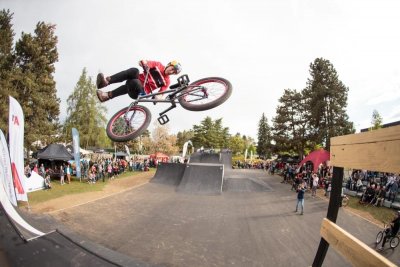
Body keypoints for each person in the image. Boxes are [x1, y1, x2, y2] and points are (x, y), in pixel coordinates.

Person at [96, 60, 182, 102]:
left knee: (135, 83)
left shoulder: (167, 81)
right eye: (172, 69)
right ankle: (106, 84)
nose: (171, 72)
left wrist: (157, 98)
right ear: (169, 65)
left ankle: (107, 95)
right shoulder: (158, 65)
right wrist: (143, 63)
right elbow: (145, 62)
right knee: (135, 71)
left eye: (174, 72)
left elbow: (161, 93)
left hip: (140, 92)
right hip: (133, 81)